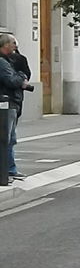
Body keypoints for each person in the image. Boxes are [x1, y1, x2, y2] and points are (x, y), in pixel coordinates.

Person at [0, 33, 30, 182]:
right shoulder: (2, 62)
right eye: (13, 43)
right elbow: (11, 80)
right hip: (7, 103)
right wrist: (22, 75)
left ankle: (10, 170)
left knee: (10, 138)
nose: (15, 46)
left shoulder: (10, 60)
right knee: (6, 138)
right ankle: (6, 171)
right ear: (5, 45)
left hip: (11, 103)